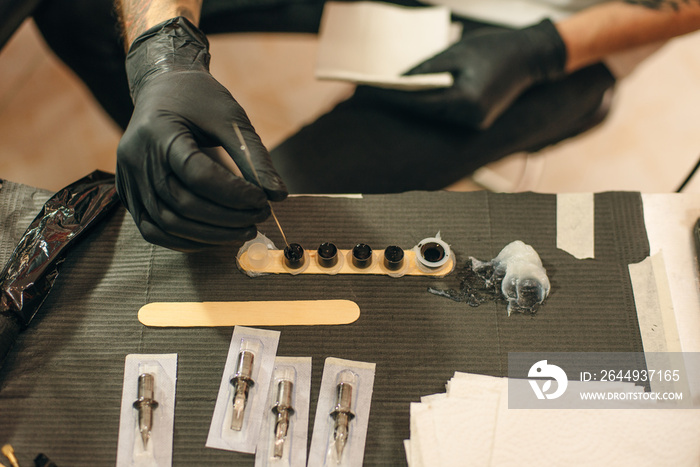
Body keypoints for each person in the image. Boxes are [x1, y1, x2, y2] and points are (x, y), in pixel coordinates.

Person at [18, 0, 700, 251]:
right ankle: (189, 152)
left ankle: (221, 194)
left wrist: (544, 48)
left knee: (287, 225)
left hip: (550, 27)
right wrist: (162, 53)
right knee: (76, 10)